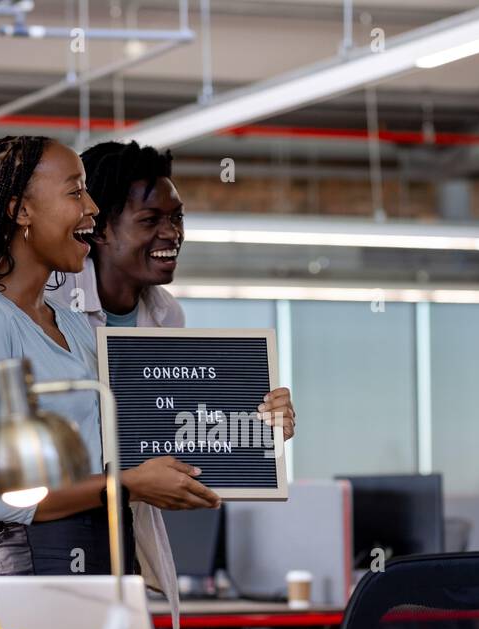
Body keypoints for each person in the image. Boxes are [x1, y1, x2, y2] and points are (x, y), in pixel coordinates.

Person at [0, 136, 221, 615]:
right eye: (75, 193)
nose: (91, 209)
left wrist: (253, 424)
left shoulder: (68, 322)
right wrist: (125, 486)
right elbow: (7, 495)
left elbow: (146, 435)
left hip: (107, 557)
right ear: (21, 211)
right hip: (38, 570)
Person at [46, 140, 294, 437]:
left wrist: (259, 424)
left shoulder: (167, 315)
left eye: (177, 217)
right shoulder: (51, 302)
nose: (172, 233)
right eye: (150, 220)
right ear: (99, 230)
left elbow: (163, 417)